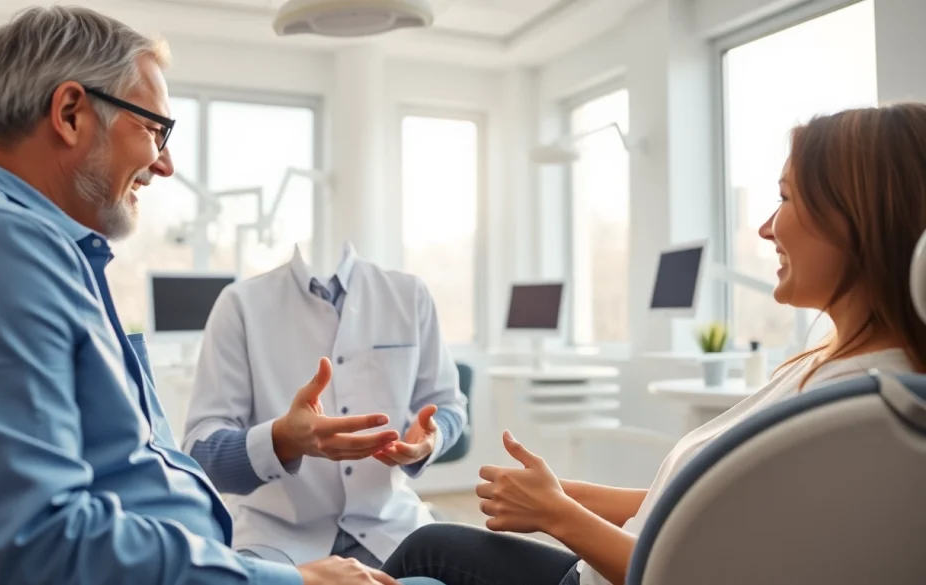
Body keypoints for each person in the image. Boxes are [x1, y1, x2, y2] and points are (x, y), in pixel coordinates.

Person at [0, 6, 422, 584]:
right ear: (70, 113)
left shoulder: (33, 251)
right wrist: (293, 582)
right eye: (154, 130)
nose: (166, 164)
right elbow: (41, 547)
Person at [382, 103, 926, 585]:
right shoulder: (832, 369)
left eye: (784, 198)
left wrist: (557, 515)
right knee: (431, 543)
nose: (765, 228)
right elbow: (698, 513)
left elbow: (704, 573)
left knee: (427, 548)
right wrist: (559, 494)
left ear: (857, 218)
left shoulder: (854, 413)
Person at [182, 242, 469, 568]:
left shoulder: (409, 295)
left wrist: (433, 435)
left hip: (390, 526)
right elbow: (199, 452)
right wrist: (281, 440)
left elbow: (449, 404)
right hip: (273, 538)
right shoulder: (240, 304)